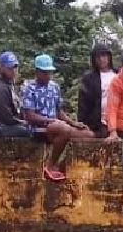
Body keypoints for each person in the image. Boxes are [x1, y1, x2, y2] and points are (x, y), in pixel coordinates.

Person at [22, 54, 95, 182]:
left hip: (57, 126)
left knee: (89, 135)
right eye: (44, 73)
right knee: (62, 129)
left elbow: (58, 111)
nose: (47, 76)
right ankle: (50, 166)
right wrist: (51, 120)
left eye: (49, 73)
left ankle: (62, 166)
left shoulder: (54, 87)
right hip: (37, 128)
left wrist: (73, 123)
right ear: (37, 72)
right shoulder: (29, 88)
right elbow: (29, 116)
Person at [0, 51, 31, 138]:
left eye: (15, 67)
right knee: (30, 131)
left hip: (2, 124)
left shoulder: (7, 84)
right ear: (2, 68)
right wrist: (21, 122)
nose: (13, 70)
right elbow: (6, 116)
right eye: (10, 68)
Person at [78, 44, 117, 138]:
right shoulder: (89, 78)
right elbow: (83, 103)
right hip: (97, 123)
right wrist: (82, 123)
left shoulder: (118, 75)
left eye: (103, 56)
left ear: (109, 57)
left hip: (118, 121)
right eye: (98, 57)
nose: (101, 59)